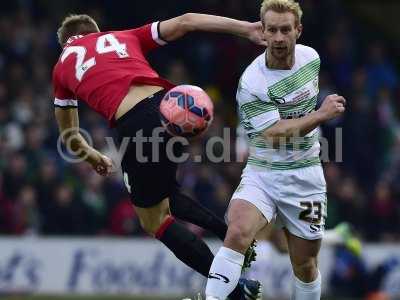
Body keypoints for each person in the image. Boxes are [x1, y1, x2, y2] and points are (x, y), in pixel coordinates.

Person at [53, 13, 266, 300]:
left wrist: (93, 157)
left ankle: (233, 290)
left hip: (136, 124)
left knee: (154, 221)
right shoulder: (121, 36)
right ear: (96, 32)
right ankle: (227, 234)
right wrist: (246, 28)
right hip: (171, 110)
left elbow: (70, 135)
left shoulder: (62, 67)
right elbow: (187, 21)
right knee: (165, 194)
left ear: (66, 43)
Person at [205, 0, 346, 299]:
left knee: (305, 264)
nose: (279, 38)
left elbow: (297, 113)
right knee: (238, 231)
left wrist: (312, 119)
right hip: (263, 172)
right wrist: (321, 115)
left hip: (306, 175)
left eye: (285, 29)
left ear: (298, 30)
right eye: (272, 30)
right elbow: (274, 134)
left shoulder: (311, 59)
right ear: (263, 33)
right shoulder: (252, 82)